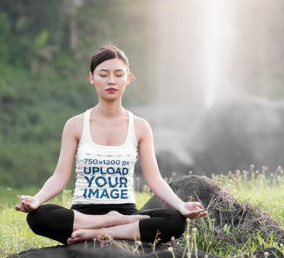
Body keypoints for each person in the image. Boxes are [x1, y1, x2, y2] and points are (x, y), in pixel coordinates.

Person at [15, 45, 207, 245]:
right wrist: (36, 200)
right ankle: (113, 223)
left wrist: (181, 205)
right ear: (92, 78)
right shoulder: (75, 124)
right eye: (103, 74)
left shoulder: (140, 126)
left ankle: (98, 233)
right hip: (83, 213)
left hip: (125, 211)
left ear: (128, 79)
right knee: (38, 216)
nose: (111, 81)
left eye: (118, 74)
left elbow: (155, 180)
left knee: (176, 221)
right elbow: (59, 176)